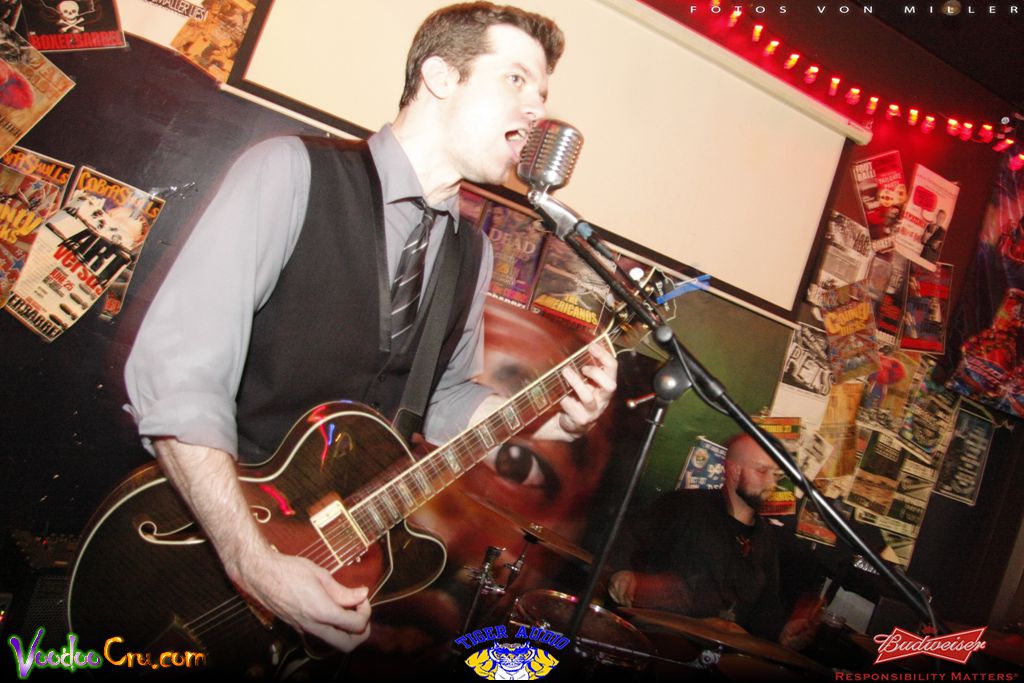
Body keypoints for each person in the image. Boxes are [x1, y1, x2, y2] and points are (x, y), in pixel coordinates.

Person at [124, 3, 617, 655]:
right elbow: (177, 376)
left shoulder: (472, 253)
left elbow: (441, 401)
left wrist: (559, 420)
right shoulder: (293, 172)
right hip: (195, 549)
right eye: (517, 80)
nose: (536, 110)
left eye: (543, 94)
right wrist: (253, 561)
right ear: (440, 76)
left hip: (323, 562)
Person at [608, 434, 816, 649]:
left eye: (777, 475)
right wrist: (622, 572)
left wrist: (782, 632)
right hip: (663, 644)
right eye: (762, 471)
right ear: (734, 471)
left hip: (724, 657)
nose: (772, 483)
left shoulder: (767, 540)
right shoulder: (686, 506)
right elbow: (624, 537)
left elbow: (765, 612)